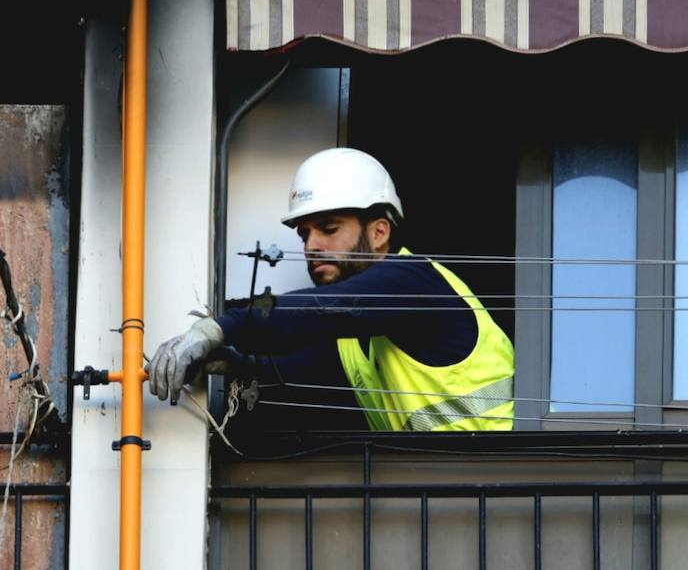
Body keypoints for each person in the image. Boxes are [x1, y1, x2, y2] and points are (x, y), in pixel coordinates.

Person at [147, 148, 515, 432]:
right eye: (305, 233)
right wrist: (239, 364)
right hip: (445, 498)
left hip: (492, 489)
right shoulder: (357, 339)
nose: (312, 245)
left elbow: (316, 309)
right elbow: (304, 369)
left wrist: (218, 326)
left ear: (379, 232)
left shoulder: (412, 279)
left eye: (328, 227)